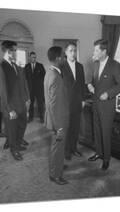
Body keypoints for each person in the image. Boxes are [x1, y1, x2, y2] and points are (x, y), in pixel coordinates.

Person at [87, 39, 120, 170]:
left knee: (106, 132)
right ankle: (98, 153)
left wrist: (108, 94)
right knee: (97, 131)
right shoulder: (96, 64)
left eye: (97, 50)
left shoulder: (115, 65)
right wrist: (91, 85)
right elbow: (95, 81)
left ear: (104, 51)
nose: (94, 52)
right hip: (96, 104)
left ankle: (106, 158)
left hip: (107, 106)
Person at [0, 40, 30, 161]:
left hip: (21, 104)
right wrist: (9, 109)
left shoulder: (15, 65)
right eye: (14, 50)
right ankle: (14, 150)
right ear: (9, 52)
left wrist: (26, 100)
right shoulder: (0, 68)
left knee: (22, 126)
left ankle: (18, 144)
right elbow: (2, 92)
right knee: (12, 130)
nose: (16, 52)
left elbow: (22, 84)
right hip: (10, 107)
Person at [44, 46, 69, 185]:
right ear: (58, 58)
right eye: (64, 56)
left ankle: (58, 165)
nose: (65, 58)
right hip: (58, 121)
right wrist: (58, 127)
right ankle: (54, 174)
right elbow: (53, 105)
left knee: (58, 148)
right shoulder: (55, 76)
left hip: (56, 119)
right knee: (57, 147)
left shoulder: (50, 72)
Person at [60, 43, 86, 160]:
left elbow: (82, 84)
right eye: (70, 50)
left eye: (75, 50)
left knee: (75, 126)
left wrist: (83, 99)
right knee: (67, 127)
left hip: (77, 102)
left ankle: (74, 148)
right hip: (65, 102)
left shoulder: (80, 66)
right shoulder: (61, 66)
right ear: (65, 53)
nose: (73, 53)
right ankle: (66, 151)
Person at [24, 52, 46, 122]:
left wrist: (41, 84)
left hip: (39, 89)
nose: (34, 58)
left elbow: (44, 76)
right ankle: (30, 117)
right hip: (30, 89)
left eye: (35, 57)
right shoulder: (26, 66)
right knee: (30, 104)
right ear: (30, 58)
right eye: (32, 57)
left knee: (40, 104)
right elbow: (24, 78)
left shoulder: (40, 66)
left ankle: (41, 117)